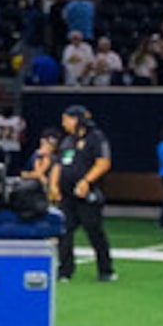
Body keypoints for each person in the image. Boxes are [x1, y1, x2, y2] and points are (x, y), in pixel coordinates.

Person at [49, 104, 113, 280]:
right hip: (67, 195)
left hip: (86, 194)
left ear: (76, 120)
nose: (63, 123)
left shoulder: (96, 138)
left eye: (66, 119)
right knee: (64, 231)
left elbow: (103, 163)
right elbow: (59, 164)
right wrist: (54, 185)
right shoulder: (67, 140)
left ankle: (105, 269)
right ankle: (65, 270)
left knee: (94, 231)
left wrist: (86, 181)